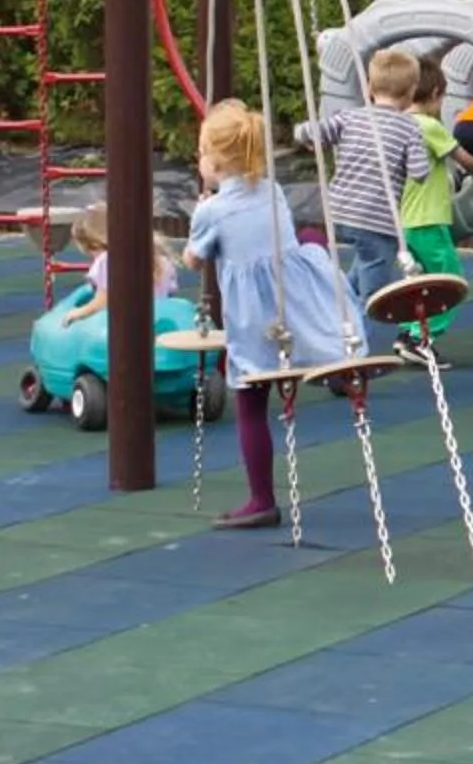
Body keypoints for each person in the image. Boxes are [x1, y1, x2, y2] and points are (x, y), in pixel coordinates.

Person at [187, 100, 358, 531]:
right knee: (312, 251)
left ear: (216, 162)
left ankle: (262, 499)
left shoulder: (210, 211)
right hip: (291, 303)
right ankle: (340, 361)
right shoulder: (273, 192)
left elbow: (194, 259)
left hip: (252, 319)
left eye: (201, 152)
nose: (198, 160)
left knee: (250, 404)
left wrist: (199, 216)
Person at [292, 48, 429, 349]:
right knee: (376, 295)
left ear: (369, 87)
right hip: (376, 220)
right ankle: (353, 350)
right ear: (411, 93)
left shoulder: (350, 117)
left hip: (339, 213)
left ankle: (333, 311)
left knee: (360, 272)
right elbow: (420, 173)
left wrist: (306, 136)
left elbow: (306, 133)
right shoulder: (410, 127)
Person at [394, 56, 464, 366]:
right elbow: (462, 157)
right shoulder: (430, 126)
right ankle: (422, 338)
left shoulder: (396, 125)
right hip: (428, 220)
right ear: (435, 93)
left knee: (416, 282)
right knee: (449, 280)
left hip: (403, 222)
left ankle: (408, 332)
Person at [65, 203, 175, 328]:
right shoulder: (160, 261)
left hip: (126, 327)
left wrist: (79, 312)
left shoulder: (107, 261)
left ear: (94, 244)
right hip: (158, 321)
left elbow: (103, 302)